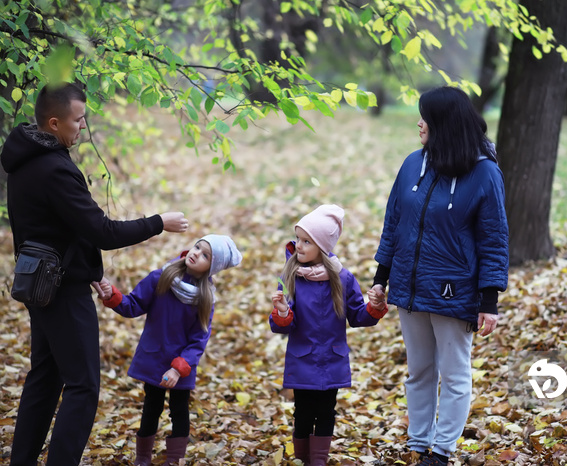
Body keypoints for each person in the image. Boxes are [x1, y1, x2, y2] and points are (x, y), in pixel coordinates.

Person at [1, 82, 189, 466]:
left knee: (45, 379)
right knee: (83, 386)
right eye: (78, 119)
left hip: (38, 284)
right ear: (54, 123)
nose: (83, 127)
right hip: (62, 290)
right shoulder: (54, 169)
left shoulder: (24, 162)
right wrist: (158, 222)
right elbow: (102, 232)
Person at [369, 86, 509, 466]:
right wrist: (381, 278)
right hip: (409, 288)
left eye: (426, 117)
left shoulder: (484, 173)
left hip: (454, 291)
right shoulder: (414, 163)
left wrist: (489, 300)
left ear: (444, 124)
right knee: (419, 371)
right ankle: (418, 444)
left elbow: (493, 239)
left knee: (454, 374)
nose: (419, 123)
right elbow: (394, 224)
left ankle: (442, 452)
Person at [99, 234, 242, 465]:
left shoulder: (205, 298)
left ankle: (175, 459)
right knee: (151, 407)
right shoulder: (161, 277)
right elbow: (133, 304)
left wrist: (178, 369)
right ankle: (143, 458)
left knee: (179, 410)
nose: (196, 253)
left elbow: (199, 339)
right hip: (155, 356)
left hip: (182, 366)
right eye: (197, 247)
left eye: (205, 255)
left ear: (211, 267)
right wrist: (112, 295)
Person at [269, 204, 388, 466]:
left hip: (332, 359)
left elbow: (357, 315)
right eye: (298, 238)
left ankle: (319, 461)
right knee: (302, 413)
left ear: (322, 246)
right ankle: (302, 459)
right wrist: (281, 312)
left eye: (306, 241)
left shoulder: (342, 278)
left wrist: (374, 308)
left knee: (325, 412)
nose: (298, 245)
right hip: (303, 359)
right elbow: (280, 325)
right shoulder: (290, 276)